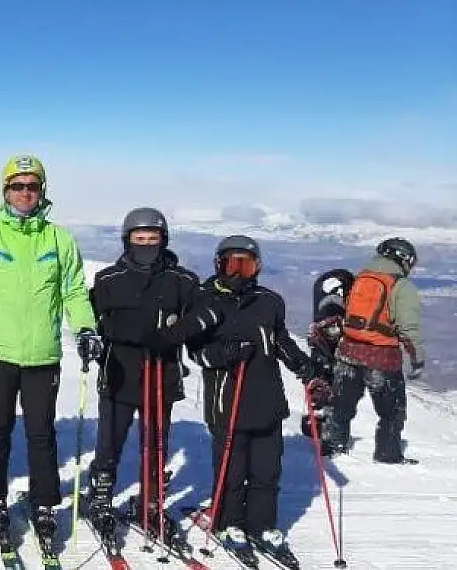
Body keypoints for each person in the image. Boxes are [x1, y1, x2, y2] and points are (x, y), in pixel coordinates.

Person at [145, 235, 329, 568]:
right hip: (226, 400)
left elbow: (281, 340)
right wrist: (223, 354)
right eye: (234, 263)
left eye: (248, 264)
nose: (240, 271)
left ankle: (262, 526)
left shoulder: (269, 301)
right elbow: (195, 351)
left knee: (267, 470)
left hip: (267, 398)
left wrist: (305, 368)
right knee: (232, 470)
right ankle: (229, 523)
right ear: (220, 264)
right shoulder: (204, 299)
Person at [0, 154, 97, 543]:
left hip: (42, 356)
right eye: (18, 185)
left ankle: (45, 501)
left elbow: (75, 290)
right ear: (5, 191)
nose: (25, 192)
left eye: (32, 186)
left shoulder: (59, 239)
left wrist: (85, 327)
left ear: (42, 190)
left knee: (40, 432)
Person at [79, 207, 199, 546]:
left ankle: (151, 500)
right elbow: (89, 319)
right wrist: (104, 337)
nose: (146, 244)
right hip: (118, 372)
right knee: (110, 440)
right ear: (127, 240)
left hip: (163, 373)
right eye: (139, 239)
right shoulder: (108, 280)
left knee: (156, 442)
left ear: (164, 241)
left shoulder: (183, 281)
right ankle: (100, 496)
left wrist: (175, 334)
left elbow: (198, 319)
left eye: (153, 239)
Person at [323, 238, 425, 464]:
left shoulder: (362, 277)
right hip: (382, 358)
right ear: (404, 259)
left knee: (341, 404)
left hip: (348, 351)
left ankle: (332, 446)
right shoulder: (401, 285)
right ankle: (388, 455)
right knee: (391, 412)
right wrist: (418, 359)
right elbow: (409, 329)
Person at [303, 268, 355, 441]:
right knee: (332, 384)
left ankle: (321, 428)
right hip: (330, 345)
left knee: (327, 382)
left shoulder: (325, 308)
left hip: (326, 344)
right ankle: (327, 434)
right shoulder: (334, 309)